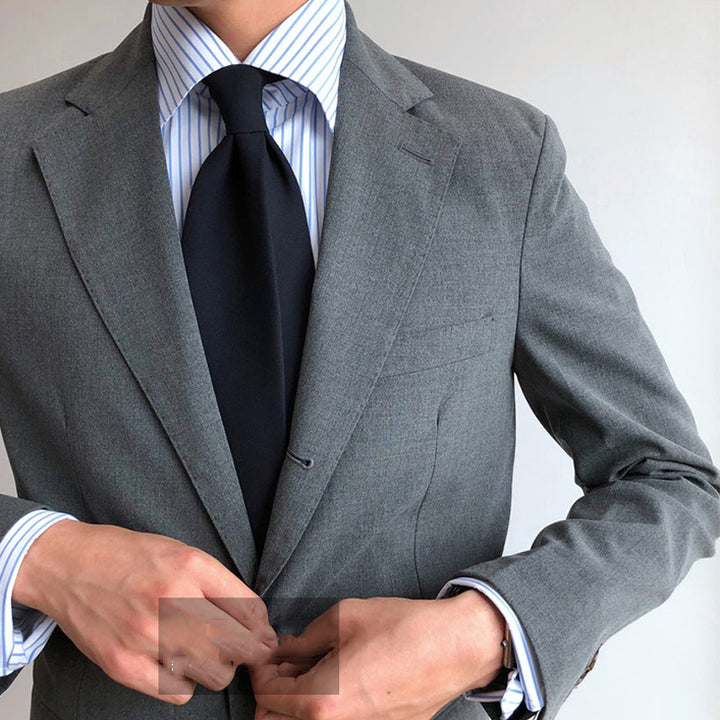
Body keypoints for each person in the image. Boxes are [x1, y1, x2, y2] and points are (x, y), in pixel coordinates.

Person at [0, 1, 718, 719]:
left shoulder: (502, 155)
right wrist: (44, 561)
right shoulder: (11, 152)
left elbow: (669, 478)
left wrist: (482, 631)